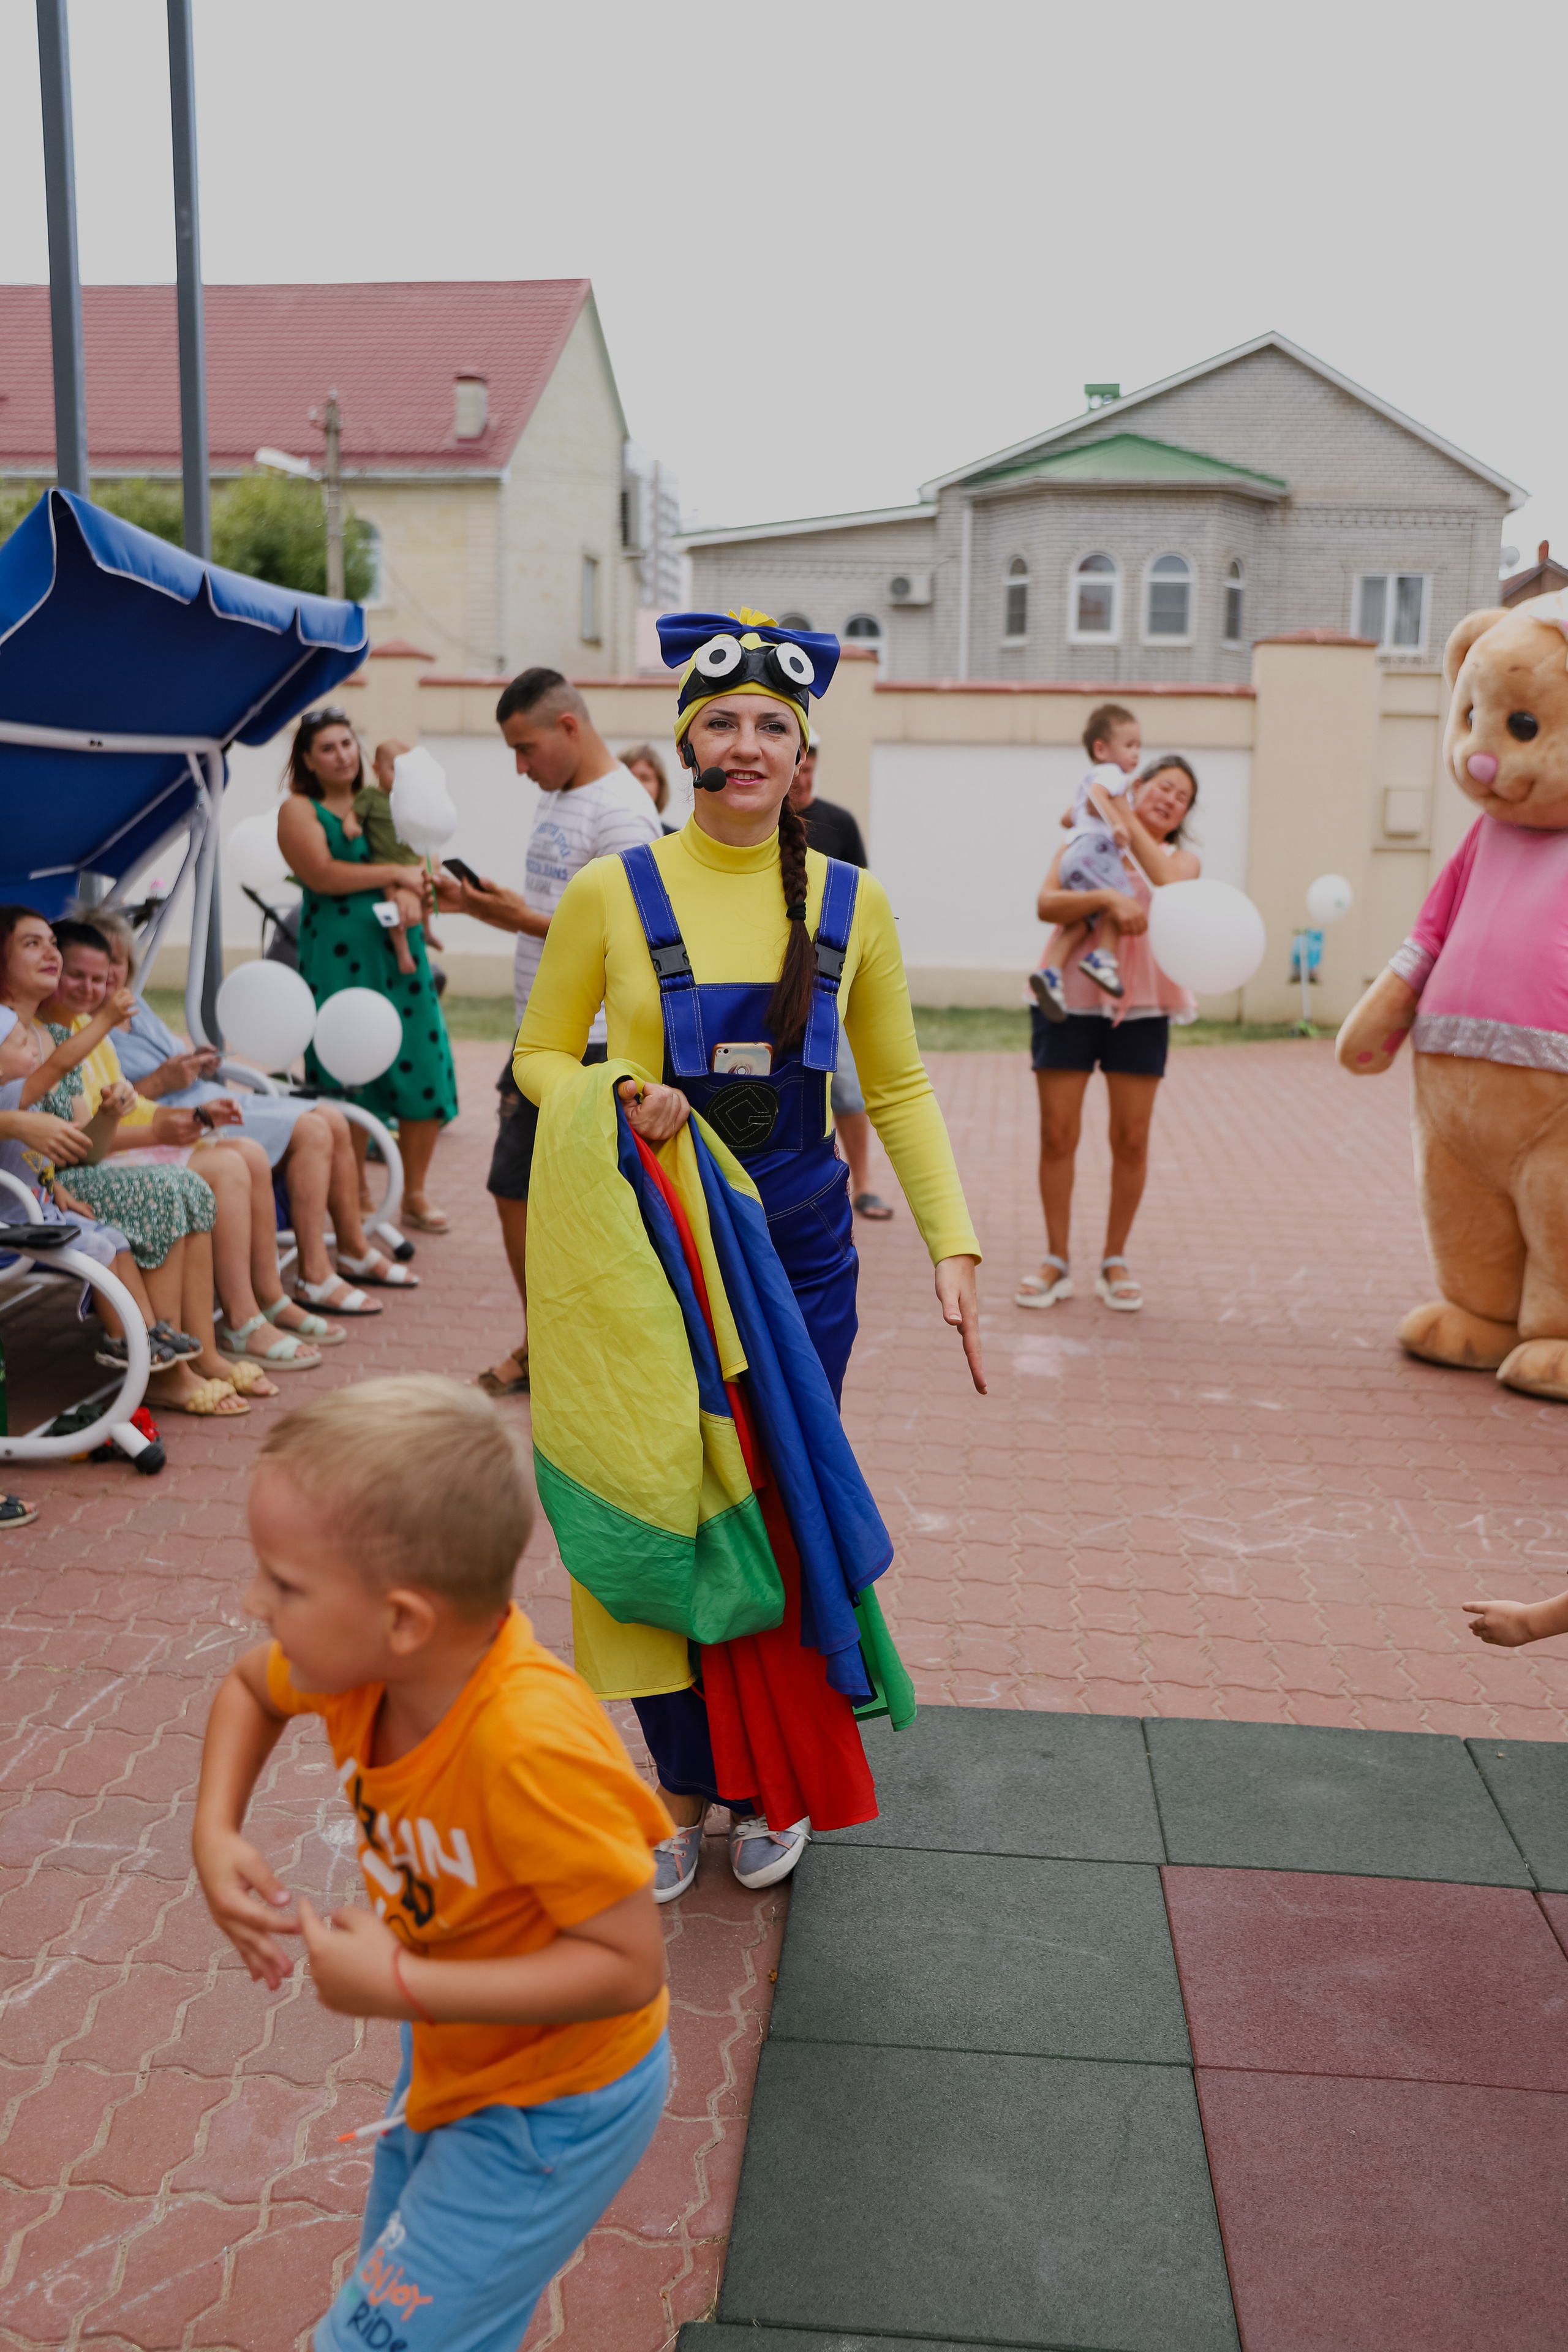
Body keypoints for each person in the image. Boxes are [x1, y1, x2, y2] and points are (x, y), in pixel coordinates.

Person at [513, 608, 984, 1900]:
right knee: (668, 1507)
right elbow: (538, 1054)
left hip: (801, 1261)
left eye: (771, 727)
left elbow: (893, 1091)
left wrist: (951, 1243)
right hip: (653, 1247)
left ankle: (770, 1782)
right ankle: (677, 1785)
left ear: (803, 759)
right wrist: (613, 1089)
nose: (744, 746)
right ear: (685, 743)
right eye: (719, 723)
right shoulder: (613, 890)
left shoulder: (852, 903)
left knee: (771, 1513)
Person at [192, 1376, 671, 2352]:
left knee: (371, 2340)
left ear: (403, 1620)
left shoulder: (530, 1748)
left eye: (283, 1585)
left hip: (552, 2105)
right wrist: (215, 1830)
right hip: (453, 2053)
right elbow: (250, 1688)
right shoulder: (363, 1668)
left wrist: (404, 1981)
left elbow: (630, 1967)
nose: (253, 1603)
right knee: (422, 2314)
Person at [432, 670, 660, 1395]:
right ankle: (550, 1344)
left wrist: (501, 916)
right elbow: (564, 907)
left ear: (568, 727)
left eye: (525, 748)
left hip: (589, 1046)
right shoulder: (565, 795)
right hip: (543, 1037)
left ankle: (574, 1353)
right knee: (517, 1192)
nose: (519, 767)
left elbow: (622, 936)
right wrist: (500, 903)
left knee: (582, 1210)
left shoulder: (623, 812)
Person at [40, 924, 328, 1381]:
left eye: (108, 970)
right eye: (79, 973)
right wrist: (171, 1126)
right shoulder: (51, 1035)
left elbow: (112, 1114)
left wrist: (188, 1117)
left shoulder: (80, 1029)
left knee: (242, 1157)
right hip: (55, 1181)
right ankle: (216, 1336)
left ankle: (239, 1319)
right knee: (220, 1170)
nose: (99, 984)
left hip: (79, 1164)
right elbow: (83, 1135)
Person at [92, 911, 400, 1319]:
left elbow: (163, 1062)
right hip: (175, 1113)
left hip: (205, 1093)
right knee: (312, 1130)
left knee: (332, 1118)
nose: (110, 972)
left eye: (119, 961)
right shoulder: (89, 1026)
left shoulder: (134, 1006)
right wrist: (163, 1081)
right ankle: (313, 1272)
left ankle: (353, 1248)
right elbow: (114, 1105)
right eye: (99, 963)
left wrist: (190, 1062)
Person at [1017, 757, 1200, 1316]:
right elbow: (1047, 903)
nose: (1170, 799)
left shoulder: (1181, 860)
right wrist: (1108, 899)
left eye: (1183, 797)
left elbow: (1168, 885)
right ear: (1137, 785)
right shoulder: (1086, 840)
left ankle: (1114, 1259)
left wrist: (1120, 813)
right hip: (1065, 1002)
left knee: (1132, 1139)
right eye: (1163, 786)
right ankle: (1056, 1260)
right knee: (1057, 1134)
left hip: (1143, 1010)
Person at [278, 708, 456, 1238]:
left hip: (401, 953)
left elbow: (425, 857)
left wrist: (416, 884)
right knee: (347, 1071)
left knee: (424, 1063)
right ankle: (353, 1192)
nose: (342, 755)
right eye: (328, 748)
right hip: (338, 956)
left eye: (347, 743)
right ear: (308, 759)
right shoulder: (300, 809)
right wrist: (395, 873)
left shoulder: (389, 797)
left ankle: (414, 1194)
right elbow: (323, 874)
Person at [786, 733, 889, 1219]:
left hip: (830, 981)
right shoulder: (763, 823)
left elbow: (862, 900)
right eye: (797, 771)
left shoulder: (839, 822)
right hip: (776, 980)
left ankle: (863, 1183)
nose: (803, 779)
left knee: (846, 1087)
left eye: (809, 769)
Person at [1031, 704, 1144, 1016]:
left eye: (1139, 746)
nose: (1136, 754)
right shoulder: (1112, 775)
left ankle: (1050, 974)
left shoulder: (1088, 778)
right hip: (1095, 852)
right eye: (1130, 745)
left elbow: (1068, 816)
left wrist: (1083, 825)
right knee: (1119, 901)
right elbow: (1097, 795)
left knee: (1079, 922)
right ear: (1101, 748)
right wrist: (1117, 824)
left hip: (1074, 855)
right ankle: (1103, 958)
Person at [356, 739, 447, 977]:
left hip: (412, 862)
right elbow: (355, 816)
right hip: (386, 867)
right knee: (394, 907)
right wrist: (351, 825)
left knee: (426, 895)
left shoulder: (410, 799)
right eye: (394, 770)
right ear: (376, 770)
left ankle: (427, 931)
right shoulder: (371, 797)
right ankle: (402, 951)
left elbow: (428, 835)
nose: (400, 777)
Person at [621, 742, 679, 834]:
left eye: (645, 778)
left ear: (660, 786)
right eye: (629, 776)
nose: (637, 785)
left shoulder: (674, 840)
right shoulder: (597, 836)